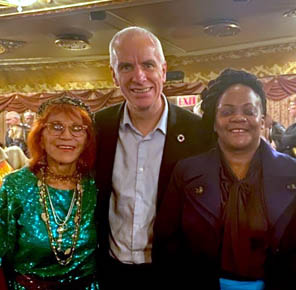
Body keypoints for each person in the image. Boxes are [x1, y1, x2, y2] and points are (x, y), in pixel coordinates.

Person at [154, 68, 296, 289]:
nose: (238, 118)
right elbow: (168, 247)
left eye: (249, 111)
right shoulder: (186, 172)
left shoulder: (295, 173)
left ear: (262, 120)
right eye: (227, 112)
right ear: (214, 121)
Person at [94, 26, 207, 288]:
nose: (139, 77)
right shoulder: (98, 128)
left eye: (148, 64)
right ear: (114, 75)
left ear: (163, 71)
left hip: (173, 275)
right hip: (110, 273)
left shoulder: (198, 133)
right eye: (126, 67)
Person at [0, 96, 99, 289]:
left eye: (77, 128)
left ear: (87, 139)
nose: (66, 135)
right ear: (40, 136)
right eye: (56, 126)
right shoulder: (16, 184)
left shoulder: (96, 184)